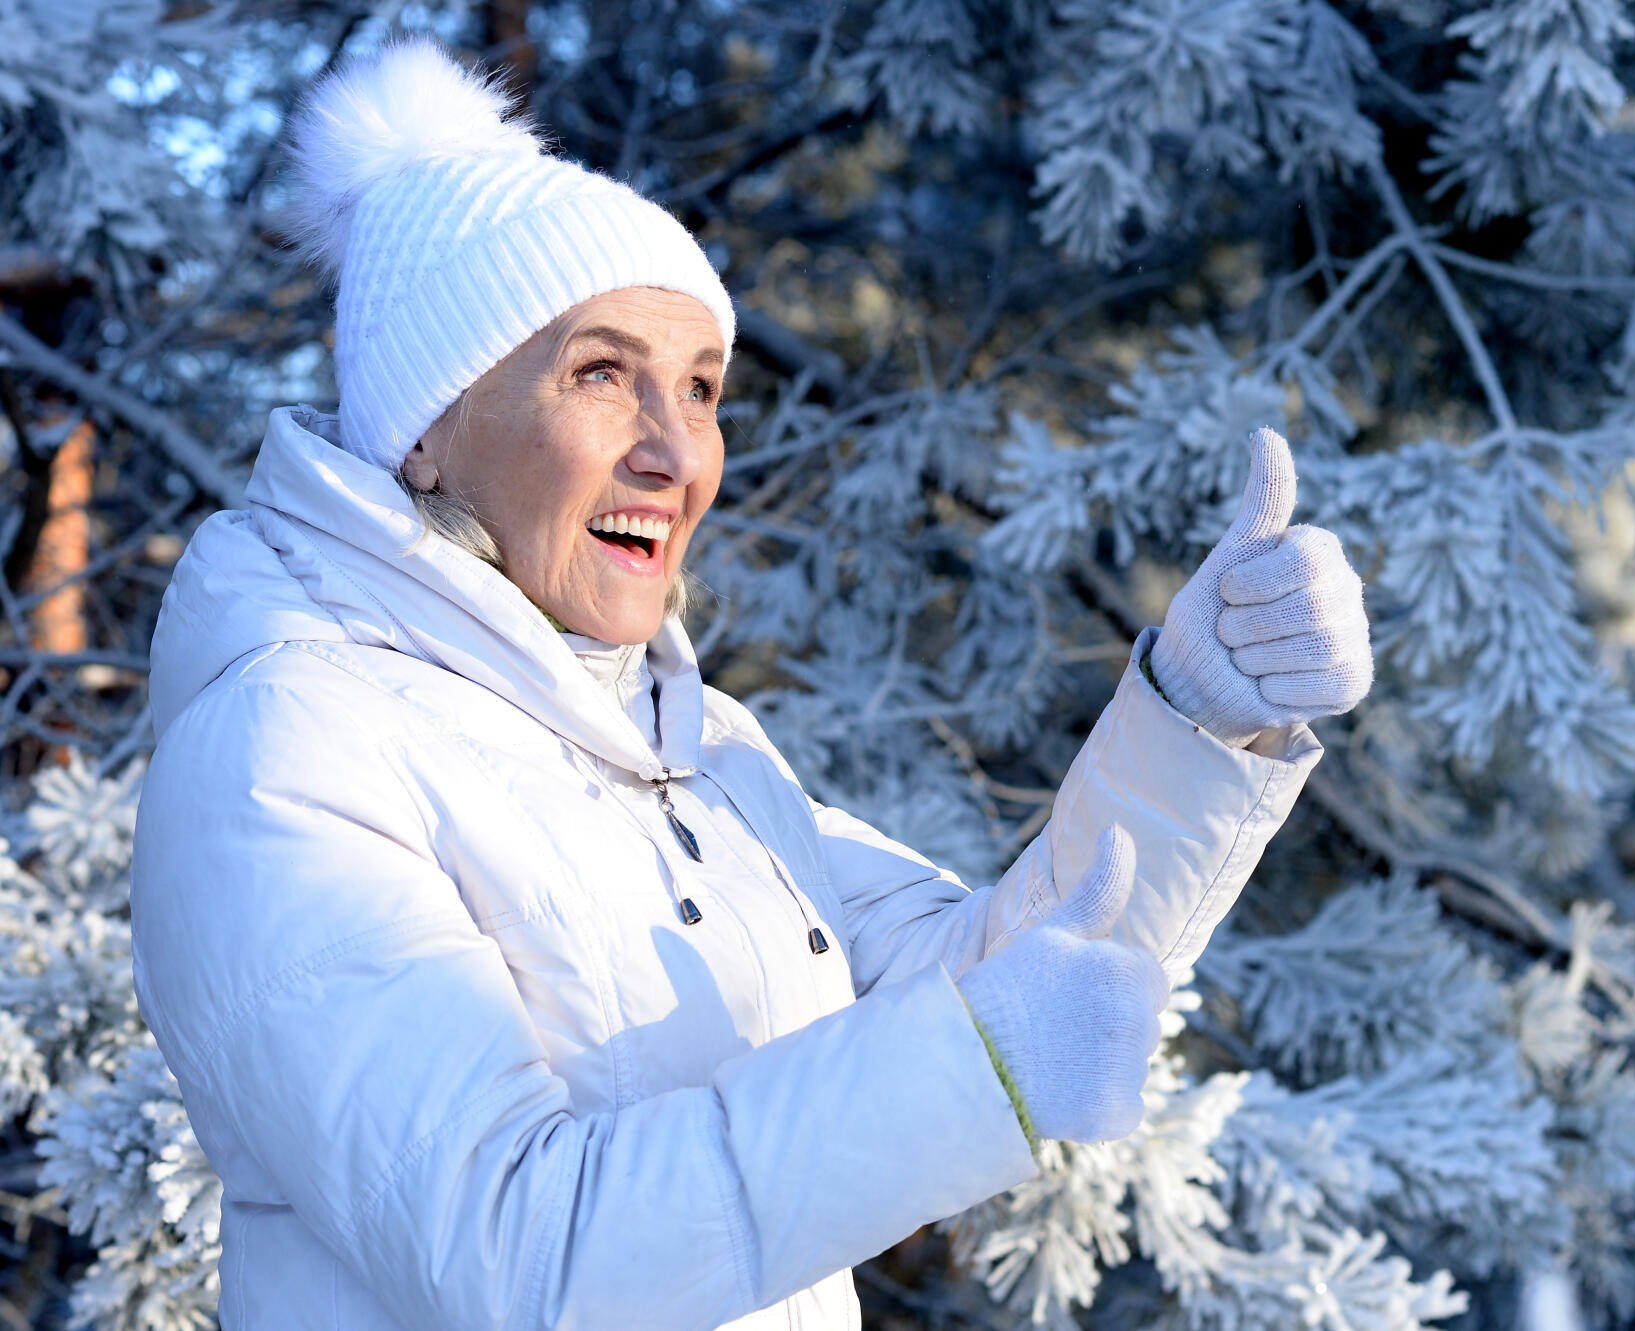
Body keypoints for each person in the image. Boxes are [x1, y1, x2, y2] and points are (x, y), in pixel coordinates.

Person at [127, 37, 1373, 1331]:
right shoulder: (288, 750)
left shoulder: (697, 751)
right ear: (426, 429)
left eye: (701, 389)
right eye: (601, 373)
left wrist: (1197, 716)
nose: (676, 453)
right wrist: (967, 1072)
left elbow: (1008, 976)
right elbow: (513, 1249)